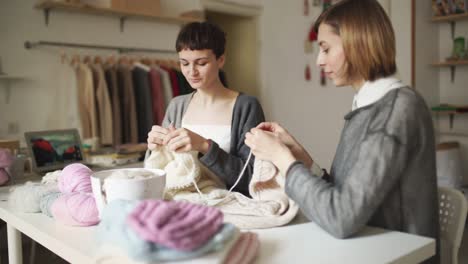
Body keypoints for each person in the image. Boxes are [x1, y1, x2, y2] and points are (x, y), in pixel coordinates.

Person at [245, 0, 439, 262]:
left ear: (357, 43)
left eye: (325, 49)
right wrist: (301, 158)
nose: (319, 60)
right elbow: (344, 194)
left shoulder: (398, 109)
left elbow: (340, 217)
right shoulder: (366, 105)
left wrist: (283, 159)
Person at [147, 22, 265, 196]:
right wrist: (152, 148)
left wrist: (204, 146)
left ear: (221, 60)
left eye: (201, 63)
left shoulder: (246, 106)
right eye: (184, 63)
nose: (191, 72)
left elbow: (254, 179)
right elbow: (161, 172)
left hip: (228, 206)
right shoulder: (177, 105)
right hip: (183, 206)